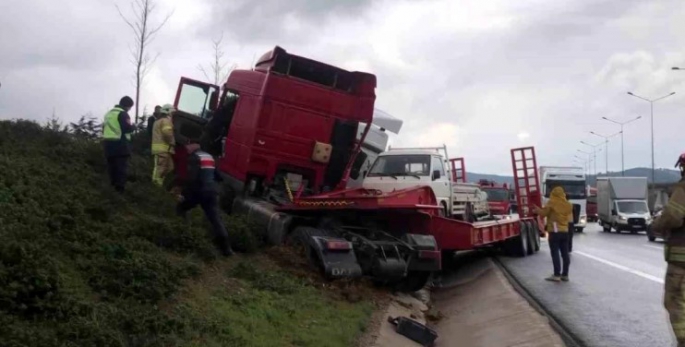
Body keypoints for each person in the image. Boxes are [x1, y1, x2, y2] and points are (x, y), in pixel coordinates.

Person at [176, 142, 234, 256]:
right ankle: (227, 249)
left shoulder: (193, 158)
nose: (186, 148)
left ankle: (184, 236)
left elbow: (191, 179)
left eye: (188, 145)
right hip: (211, 192)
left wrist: (183, 194)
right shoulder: (209, 157)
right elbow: (218, 176)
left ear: (194, 146)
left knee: (181, 208)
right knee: (215, 219)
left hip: (198, 191)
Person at [653, 153, 685, 346]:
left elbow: (673, 216)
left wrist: (656, 225)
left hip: (681, 261)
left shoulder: (683, 189)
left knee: (675, 301)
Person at [533, 186, 573, 282]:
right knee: (565, 254)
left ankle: (556, 274)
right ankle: (565, 274)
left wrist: (536, 210)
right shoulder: (568, 205)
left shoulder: (551, 203)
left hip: (554, 231)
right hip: (565, 231)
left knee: (555, 253)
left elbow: (543, 213)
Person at [102, 96, 135, 193]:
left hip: (108, 144)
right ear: (127, 106)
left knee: (111, 167)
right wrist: (133, 127)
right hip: (120, 145)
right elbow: (126, 128)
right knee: (120, 168)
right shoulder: (123, 114)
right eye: (130, 107)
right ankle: (119, 191)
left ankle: (111, 188)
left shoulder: (108, 114)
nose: (129, 109)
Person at [151, 104, 176, 188]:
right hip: (162, 150)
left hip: (165, 150)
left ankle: (159, 184)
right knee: (160, 169)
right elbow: (167, 133)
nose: (173, 114)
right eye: (172, 112)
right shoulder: (166, 121)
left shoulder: (159, 121)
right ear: (168, 111)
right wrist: (173, 142)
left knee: (169, 167)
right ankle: (155, 187)